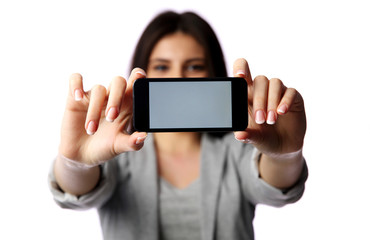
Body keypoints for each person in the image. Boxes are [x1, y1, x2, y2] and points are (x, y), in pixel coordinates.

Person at [49, 11, 308, 240]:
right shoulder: (116, 149)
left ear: (213, 74)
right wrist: (75, 162)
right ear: (144, 75)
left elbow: (276, 187)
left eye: (194, 66)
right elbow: (78, 192)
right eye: (162, 66)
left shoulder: (239, 146)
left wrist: (285, 155)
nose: (177, 78)